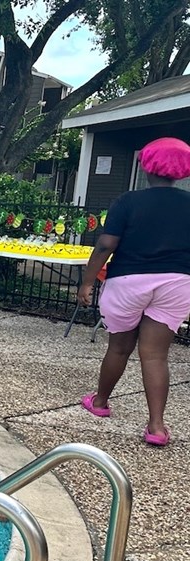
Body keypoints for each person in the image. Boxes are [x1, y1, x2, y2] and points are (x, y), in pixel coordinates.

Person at [77, 137, 190, 447]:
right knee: (155, 356)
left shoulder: (127, 202)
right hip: (177, 281)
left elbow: (106, 245)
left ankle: (100, 402)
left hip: (129, 280)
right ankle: (156, 426)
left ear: (146, 164)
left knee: (118, 348)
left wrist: (87, 282)